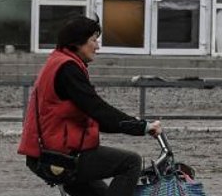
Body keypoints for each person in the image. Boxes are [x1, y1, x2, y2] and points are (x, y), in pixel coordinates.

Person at [19, 16, 162, 196]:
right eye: (93, 40)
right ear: (77, 42)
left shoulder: (59, 62)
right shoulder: (68, 69)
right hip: (60, 156)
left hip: (49, 152)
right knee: (131, 162)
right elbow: (97, 109)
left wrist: (137, 126)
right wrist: (143, 127)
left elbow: (96, 116)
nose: (98, 46)